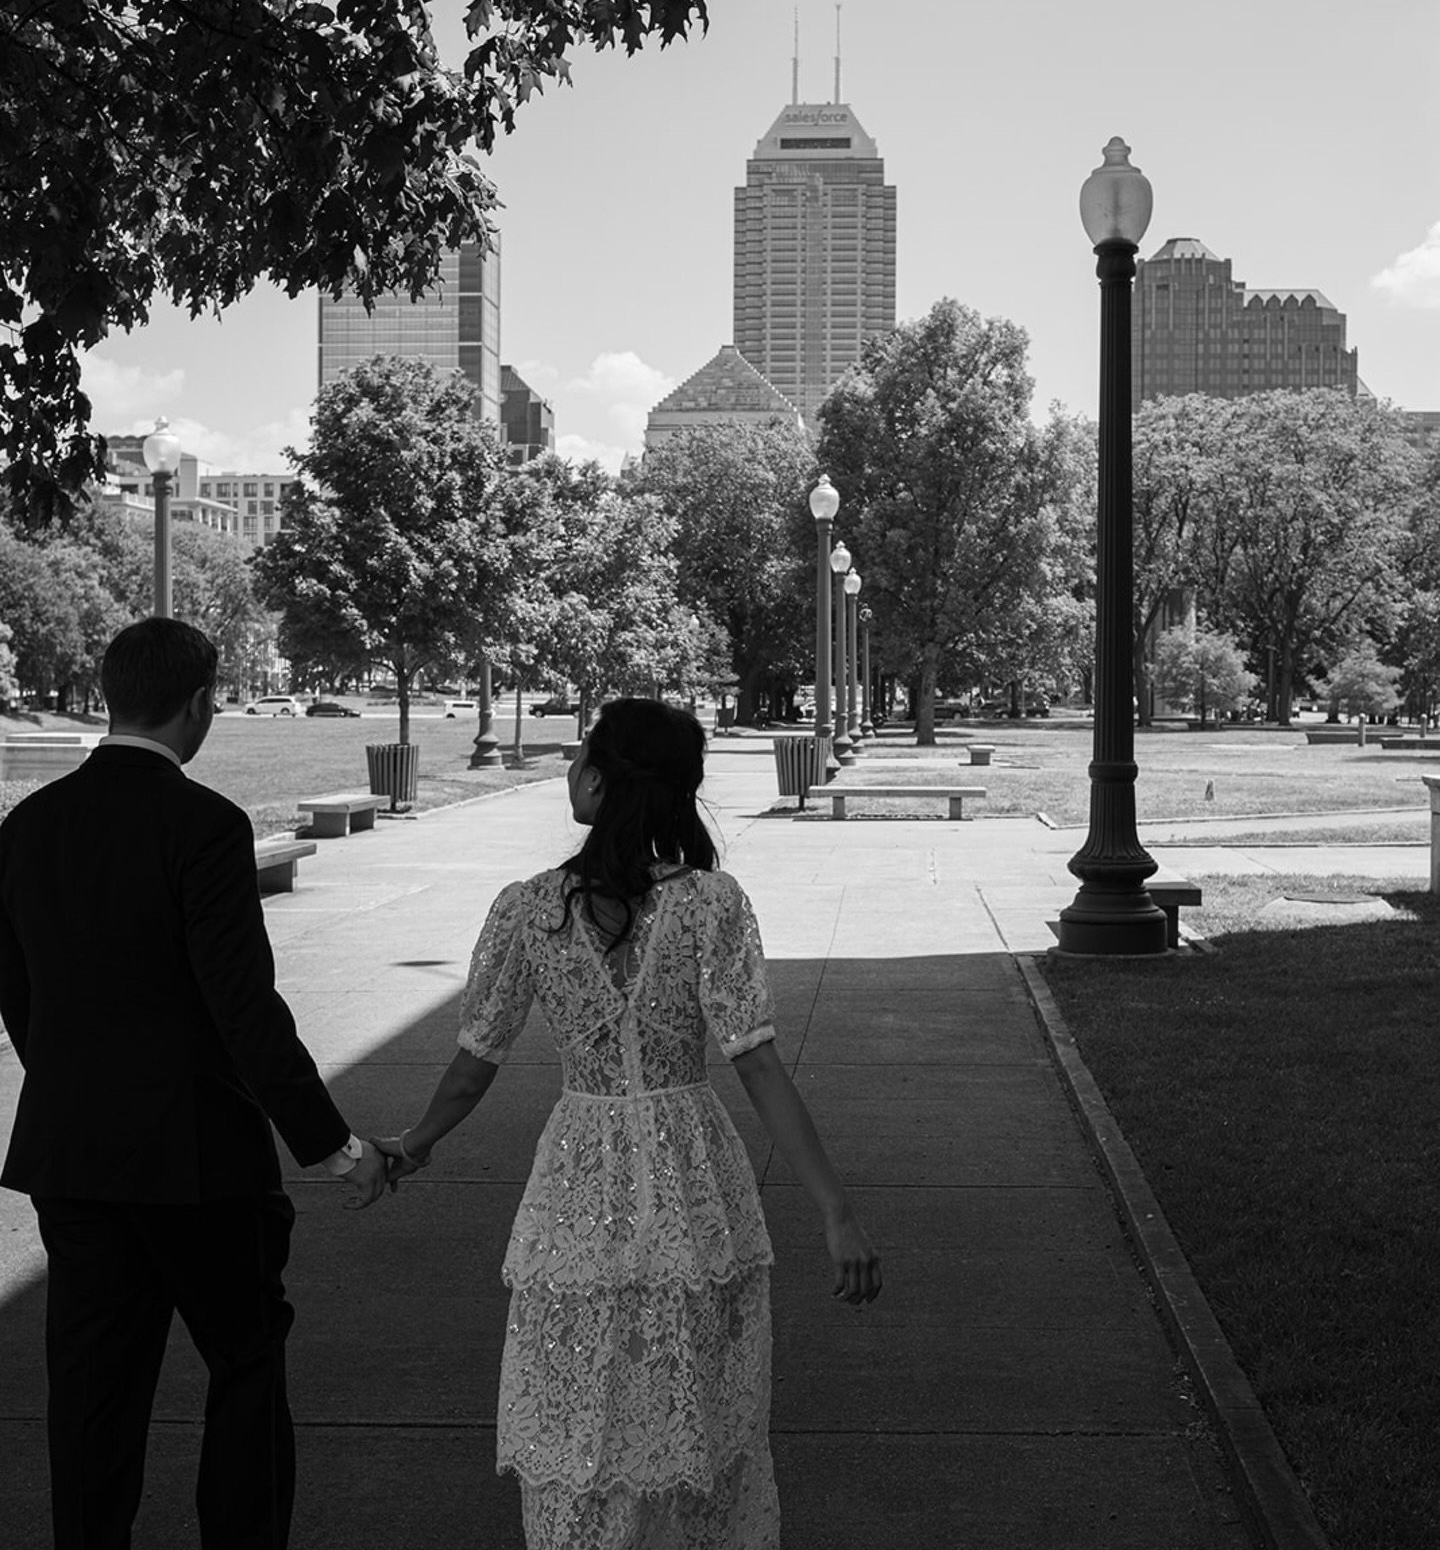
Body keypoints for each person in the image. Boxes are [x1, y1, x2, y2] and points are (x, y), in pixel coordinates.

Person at [378, 696, 881, 1548]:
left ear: (598, 780)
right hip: (693, 1180)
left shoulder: (530, 909)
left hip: (579, 1180)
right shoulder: (711, 904)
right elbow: (757, 1063)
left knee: (580, 1410)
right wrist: (836, 1211)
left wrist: (411, 1145)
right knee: (695, 1411)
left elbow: (473, 1066)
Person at [0, 618, 391, 1550]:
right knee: (245, 1368)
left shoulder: (27, 825)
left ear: (109, 695)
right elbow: (241, 1008)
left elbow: (18, 990)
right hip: (199, 1161)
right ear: (200, 703)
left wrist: (74, 1082)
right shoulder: (206, 825)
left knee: (91, 1395)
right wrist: (336, 1149)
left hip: (73, 1154)